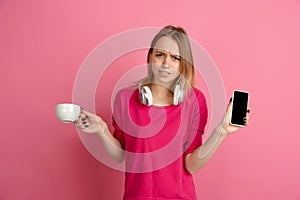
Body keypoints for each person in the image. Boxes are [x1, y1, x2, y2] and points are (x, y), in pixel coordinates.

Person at [75, 25, 250, 200]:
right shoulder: (125, 98)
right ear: (150, 57)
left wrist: (221, 131)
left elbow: (191, 165)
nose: (166, 64)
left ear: (184, 64)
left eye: (175, 58)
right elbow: (121, 154)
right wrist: (102, 130)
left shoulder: (195, 101)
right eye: (160, 55)